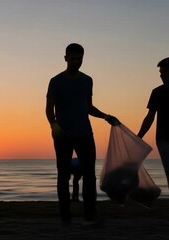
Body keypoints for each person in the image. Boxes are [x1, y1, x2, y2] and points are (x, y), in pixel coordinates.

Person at [45, 43, 120, 224]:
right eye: (73, 58)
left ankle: (89, 213)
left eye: (80, 59)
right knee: (63, 175)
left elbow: (88, 107)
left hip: (85, 133)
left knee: (89, 175)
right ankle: (65, 215)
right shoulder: (55, 81)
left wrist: (106, 116)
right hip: (63, 136)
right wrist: (54, 125)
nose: (77, 62)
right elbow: (49, 109)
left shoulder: (87, 80)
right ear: (65, 58)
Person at [138, 57, 169, 187]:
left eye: (165, 72)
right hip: (163, 139)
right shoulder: (157, 92)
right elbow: (150, 117)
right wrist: (138, 137)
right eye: (160, 72)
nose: (161, 75)